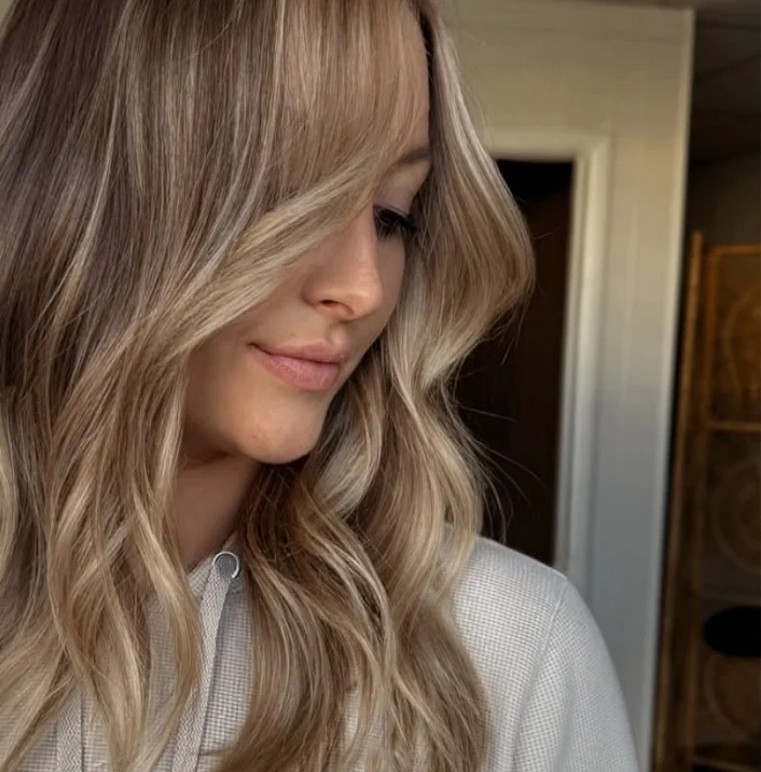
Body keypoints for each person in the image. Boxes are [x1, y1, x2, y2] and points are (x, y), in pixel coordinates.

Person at [0, 0, 639, 769]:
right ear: (79, 188)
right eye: (289, 191)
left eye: (392, 215)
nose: (362, 288)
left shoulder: (507, 648)